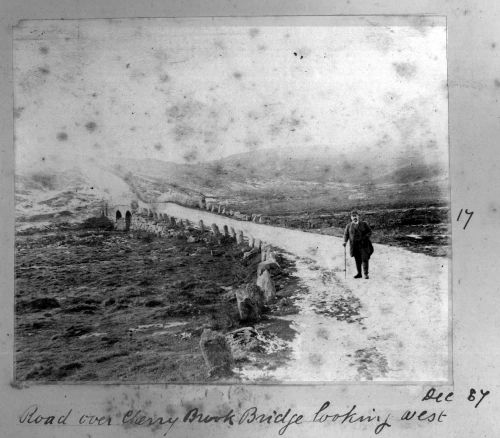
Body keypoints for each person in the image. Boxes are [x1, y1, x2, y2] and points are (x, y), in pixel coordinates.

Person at [343, 210, 374, 279]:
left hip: (364, 245)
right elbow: (346, 234)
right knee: (357, 260)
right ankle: (359, 274)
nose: (354, 217)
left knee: (364, 259)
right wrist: (345, 241)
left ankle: (366, 274)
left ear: (358, 216)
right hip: (355, 246)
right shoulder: (348, 226)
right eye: (353, 216)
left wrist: (365, 237)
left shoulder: (364, 224)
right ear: (351, 217)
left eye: (356, 216)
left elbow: (370, 232)